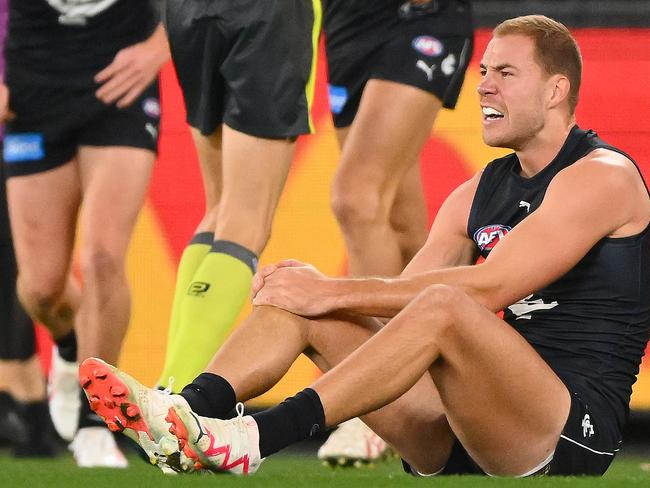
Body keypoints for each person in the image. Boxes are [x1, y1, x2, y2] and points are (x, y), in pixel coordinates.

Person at [78, 15, 650, 477]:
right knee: (294, 292)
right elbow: (399, 297)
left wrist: (330, 290)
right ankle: (187, 415)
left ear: (557, 89)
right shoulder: (478, 191)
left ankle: (254, 438)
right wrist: (311, 295)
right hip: (469, 430)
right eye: (482, 71)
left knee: (442, 303)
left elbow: (491, 286)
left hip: (567, 435)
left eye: (505, 72)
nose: (483, 86)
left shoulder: (602, 175)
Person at [1, 0, 169, 467]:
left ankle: (100, 419)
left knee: (103, 256)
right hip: (33, 79)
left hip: (121, 72)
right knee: (39, 289)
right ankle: (73, 348)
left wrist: (162, 46)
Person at [319, 0, 473, 464]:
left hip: (417, 17)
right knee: (403, 229)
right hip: (347, 23)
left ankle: (371, 405)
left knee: (355, 198)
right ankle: (453, 390)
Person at [155, 1, 322, 390]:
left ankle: (171, 381)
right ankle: (174, 391)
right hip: (265, 16)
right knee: (247, 219)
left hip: (188, 12)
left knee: (220, 208)